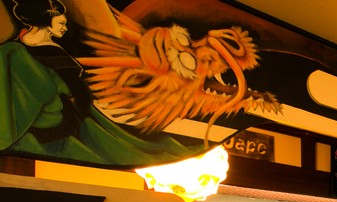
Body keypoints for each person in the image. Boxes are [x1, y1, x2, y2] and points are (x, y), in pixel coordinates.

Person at [0, 0, 202, 166]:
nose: (64, 26)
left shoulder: (49, 47)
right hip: (57, 121)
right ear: (46, 21)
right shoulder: (17, 52)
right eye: (60, 22)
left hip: (77, 117)